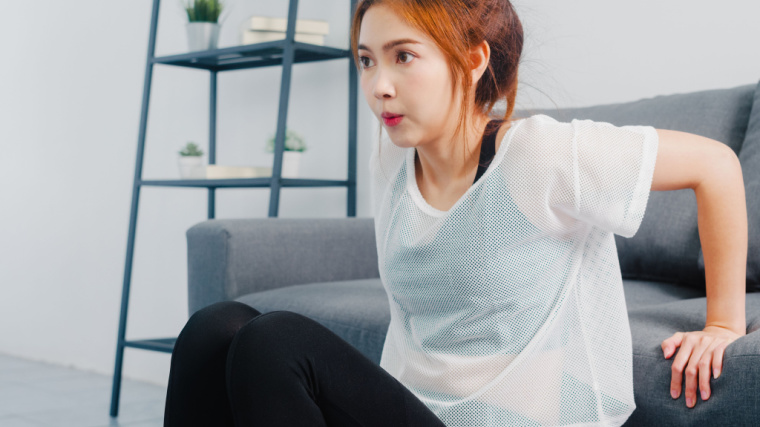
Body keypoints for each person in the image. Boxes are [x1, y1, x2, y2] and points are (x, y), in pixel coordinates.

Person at [163, 0, 748, 425]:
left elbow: (716, 165)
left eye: (403, 57)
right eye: (366, 61)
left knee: (276, 341)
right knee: (215, 329)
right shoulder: (394, 156)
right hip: (416, 409)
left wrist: (723, 324)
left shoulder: (538, 155)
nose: (379, 86)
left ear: (470, 62)